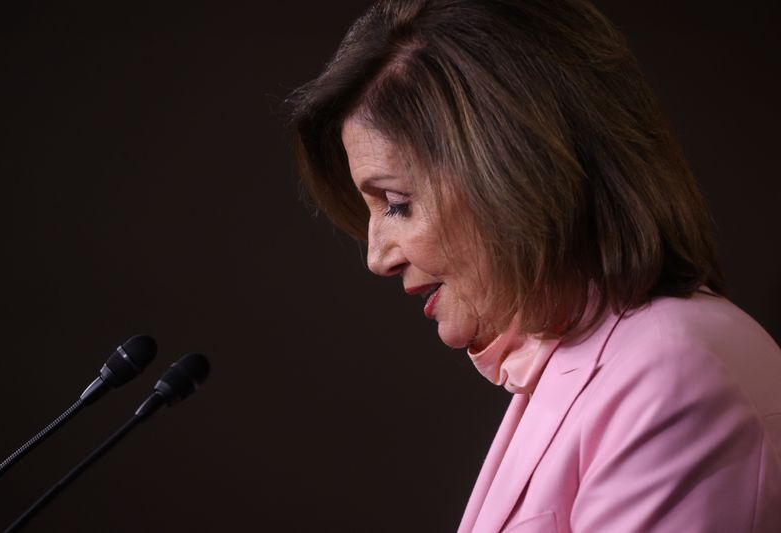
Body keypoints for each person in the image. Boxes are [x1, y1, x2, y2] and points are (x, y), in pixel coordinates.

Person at [287, 1, 781, 531]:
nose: (377, 257)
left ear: (517, 172)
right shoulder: (583, 361)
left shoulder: (668, 374)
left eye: (397, 203)